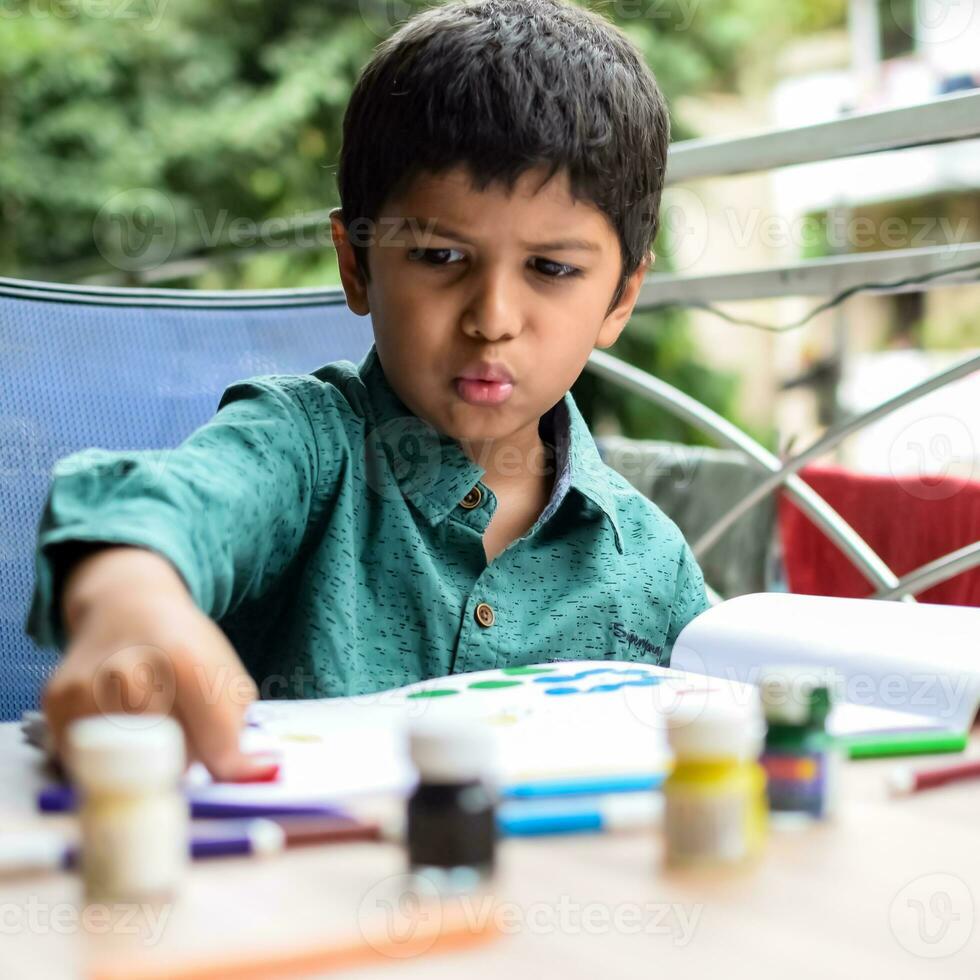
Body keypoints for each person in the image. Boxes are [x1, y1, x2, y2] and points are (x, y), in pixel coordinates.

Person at [31, 0, 710, 781]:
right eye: (438, 256)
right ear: (355, 264)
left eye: (552, 269)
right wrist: (129, 596)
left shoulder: (652, 561)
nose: (492, 319)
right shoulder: (303, 449)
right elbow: (157, 504)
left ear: (621, 297)